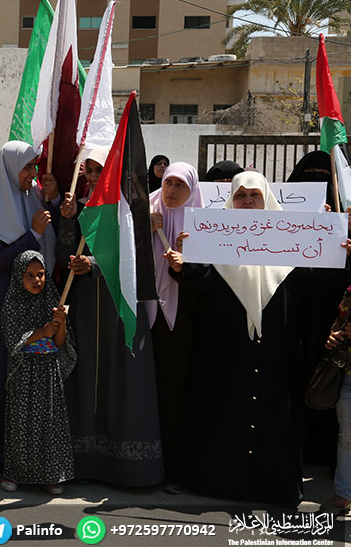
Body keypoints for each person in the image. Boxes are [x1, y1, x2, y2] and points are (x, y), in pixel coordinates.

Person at [166, 170, 349, 504]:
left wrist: (339, 253)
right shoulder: (213, 237)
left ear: (266, 198)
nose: (248, 201)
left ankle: (272, 485)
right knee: (223, 412)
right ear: (231, 200)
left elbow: (315, 282)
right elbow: (203, 282)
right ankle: (215, 481)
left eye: (254, 195)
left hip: (276, 350)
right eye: (240, 195)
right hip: (227, 349)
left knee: (274, 419)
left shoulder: (292, 240)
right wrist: (183, 267)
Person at [56, 148, 165, 487]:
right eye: (87, 169)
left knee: (123, 379)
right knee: (88, 375)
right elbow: (65, 254)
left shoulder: (131, 210)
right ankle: (85, 461)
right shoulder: (86, 208)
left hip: (121, 308)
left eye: (97, 169)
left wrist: (94, 265)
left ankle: (128, 467)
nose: (90, 176)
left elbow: (135, 262)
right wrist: (68, 219)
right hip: (89, 307)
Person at [0, 141, 58, 472]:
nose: (32, 174)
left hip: (36, 304)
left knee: (34, 380)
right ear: (9, 168)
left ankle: (32, 455)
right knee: (1, 378)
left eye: (35, 167)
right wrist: (31, 234)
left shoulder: (32, 199)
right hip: (2, 303)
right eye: (27, 167)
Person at [1, 250, 76, 494]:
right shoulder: (12, 303)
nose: (37, 280)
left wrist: (61, 324)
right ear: (18, 277)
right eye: (30, 275)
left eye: (41, 275)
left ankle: (51, 475)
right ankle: (15, 475)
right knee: (21, 425)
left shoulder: (51, 301)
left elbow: (59, 343)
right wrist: (41, 332)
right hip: (24, 373)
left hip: (48, 372)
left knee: (49, 424)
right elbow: (13, 341)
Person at [147, 162, 202, 492]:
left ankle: (173, 464)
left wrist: (189, 258)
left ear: (192, 190)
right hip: (147, 314)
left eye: (180, 186)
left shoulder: (204, 222)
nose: (171, 191)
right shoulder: (147, 212)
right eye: (168, 184)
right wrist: (144, 227)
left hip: (184, 321)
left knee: (176, 392)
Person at [289, 150, 343, 468]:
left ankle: (324, 454)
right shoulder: (278, 218)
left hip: (331, 318)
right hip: (291, 315)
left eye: (325, 178)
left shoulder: (344, 219)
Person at [322, 299, 351, 515]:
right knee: (347, 436)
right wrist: (335, 333)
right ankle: (344, 495)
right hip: (347, 374)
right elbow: (339, 321)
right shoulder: (349, 290)